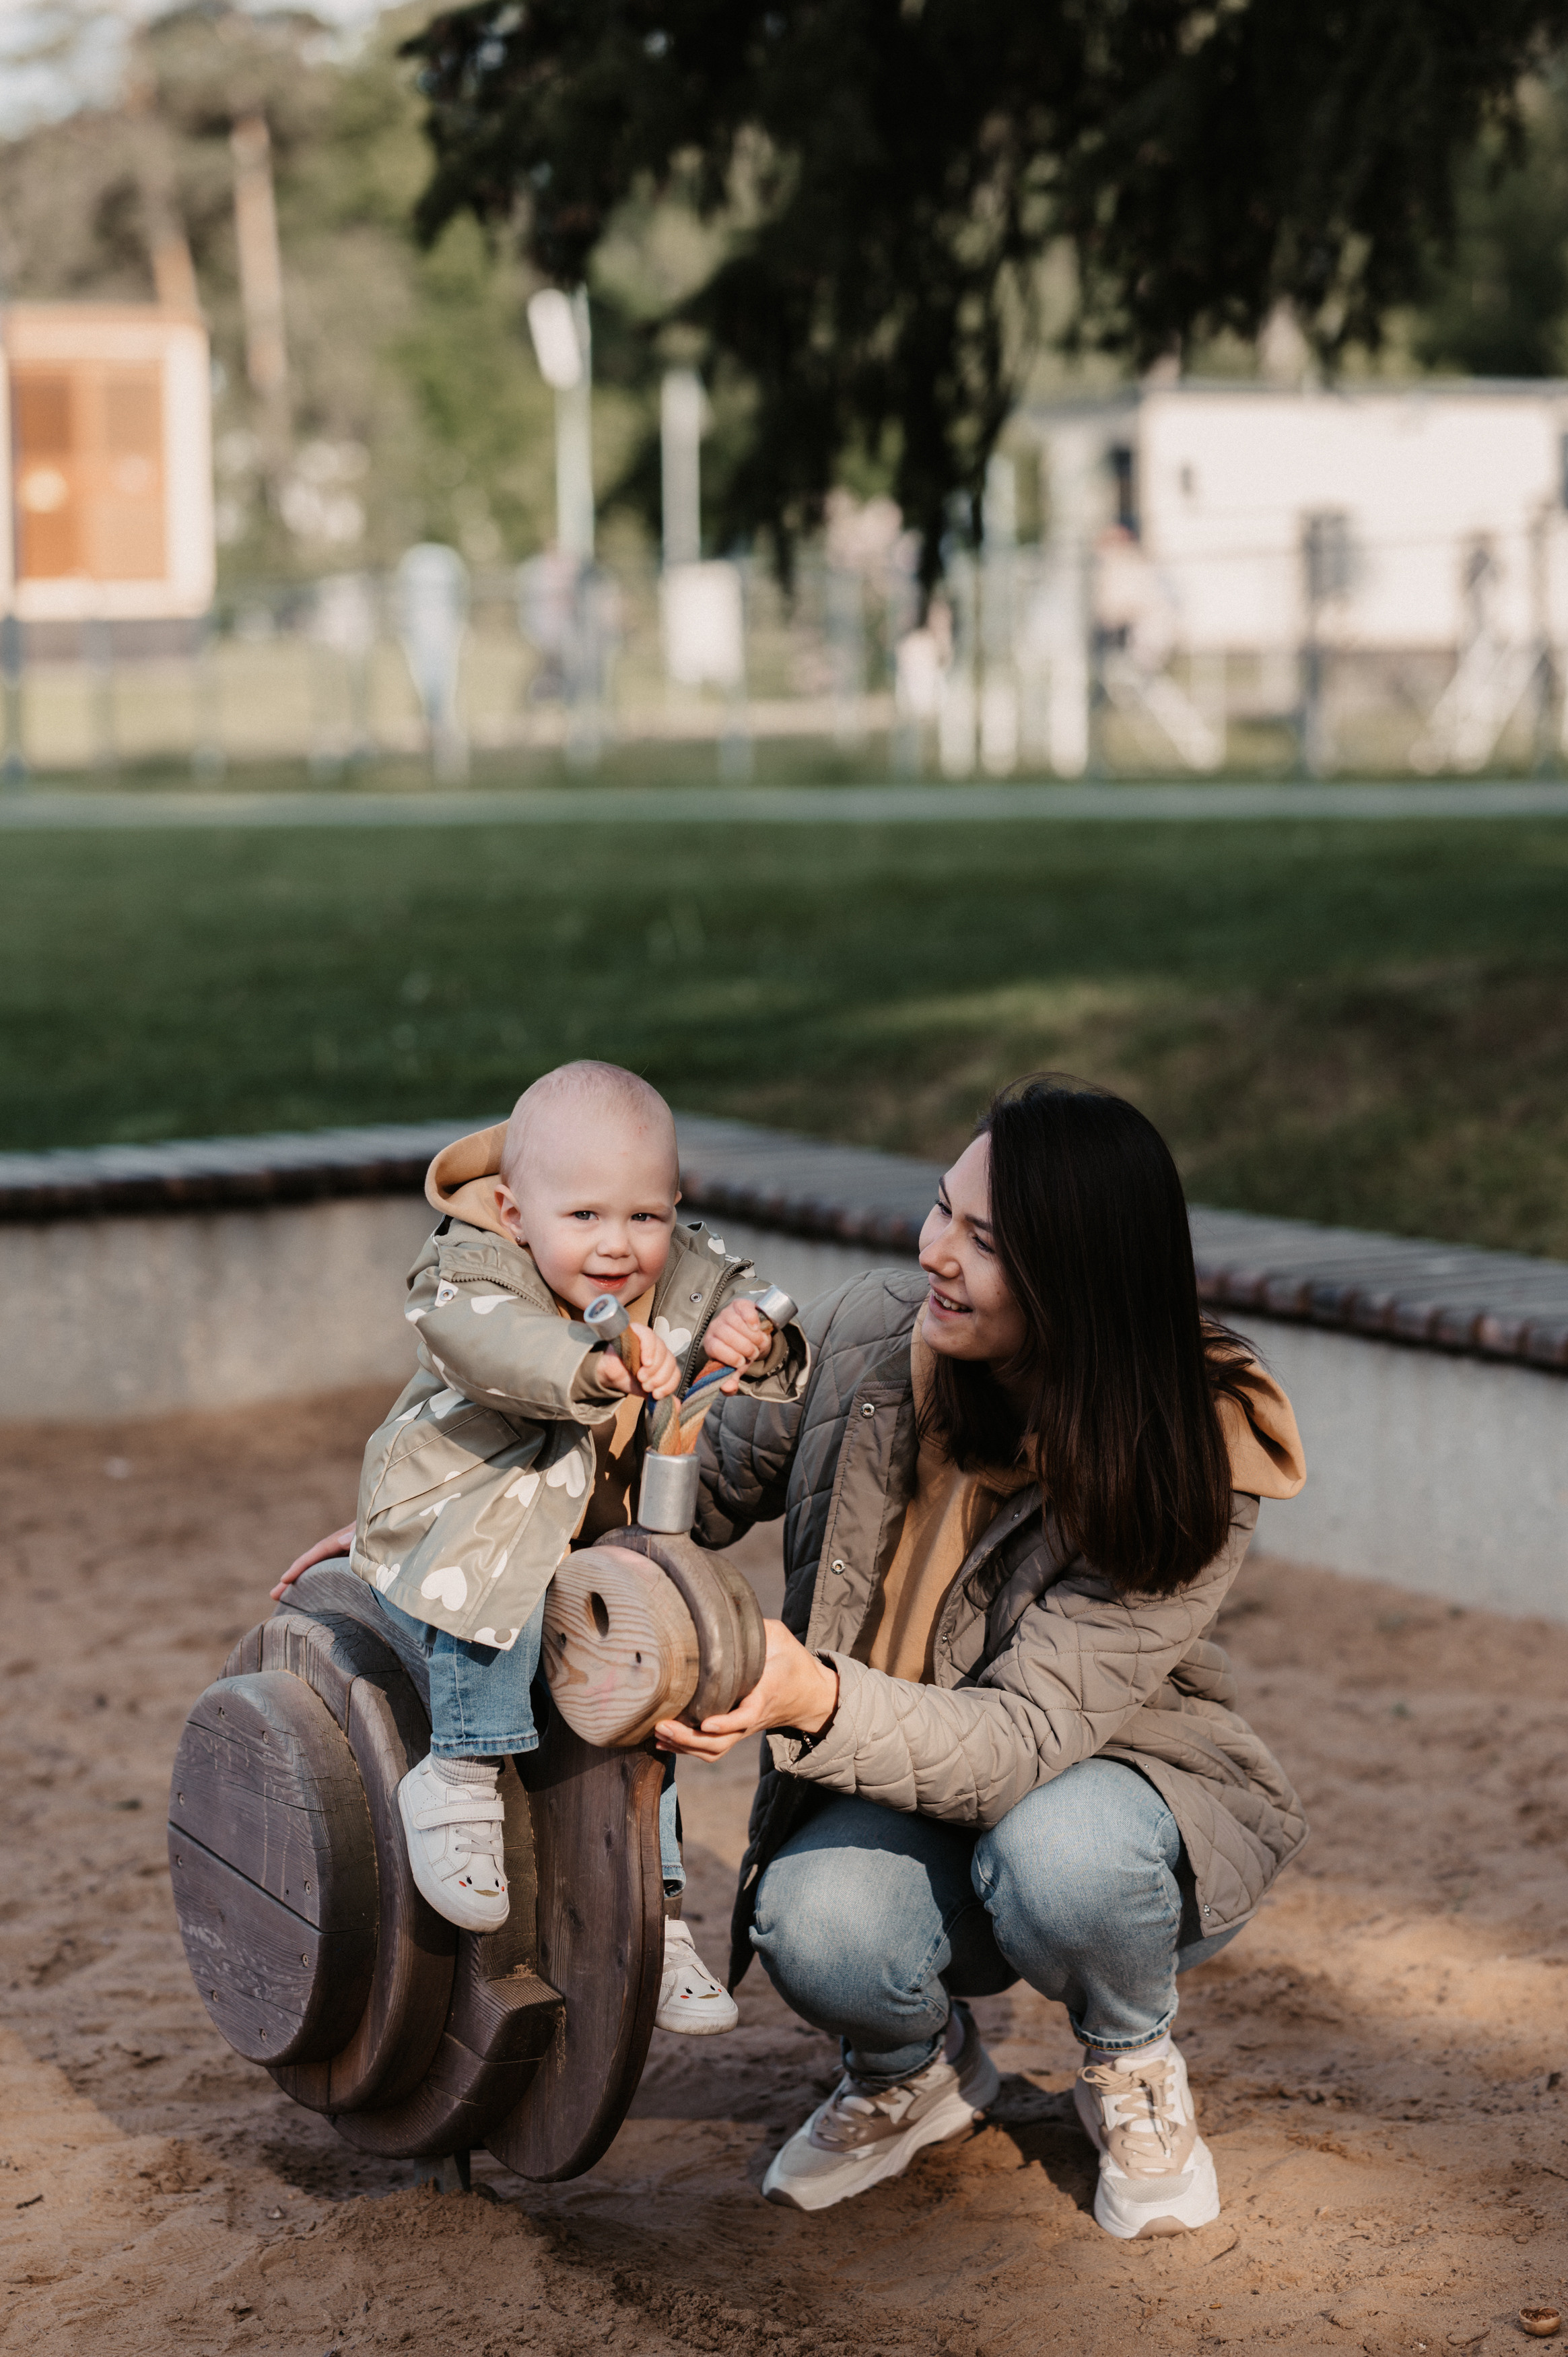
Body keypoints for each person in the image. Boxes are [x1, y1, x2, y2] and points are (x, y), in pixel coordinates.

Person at [656, 1074, 1306, 2234]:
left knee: (1059, 1854)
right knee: (817, 1926)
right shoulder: (868, 1337)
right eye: (940, 1209)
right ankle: (915, 2072)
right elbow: (690, 1490)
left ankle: (1129, 2054)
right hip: (897, 1779)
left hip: (1114, 1802)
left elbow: (1015, 1747)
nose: (934, 1252)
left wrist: (802, 1690)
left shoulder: (1187, 1447)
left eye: (985, 1240)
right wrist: (466, 1515)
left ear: (1079, 1277)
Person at [272, 1059, 807, 2035]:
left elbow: (751, 1308)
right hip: (463, 1524)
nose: (618, 1246)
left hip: (595, 1549)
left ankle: (659, 1911)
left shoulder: (675, 1269)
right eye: (586, 1218)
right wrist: (596, 1364)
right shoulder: (470, 1265)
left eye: (645, 1217)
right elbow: (491, 1346)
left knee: (647, 1686)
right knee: (512, 1573)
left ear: (674, 1206)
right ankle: (462, 1774)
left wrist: (750, 1335)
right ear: (516, 1211)